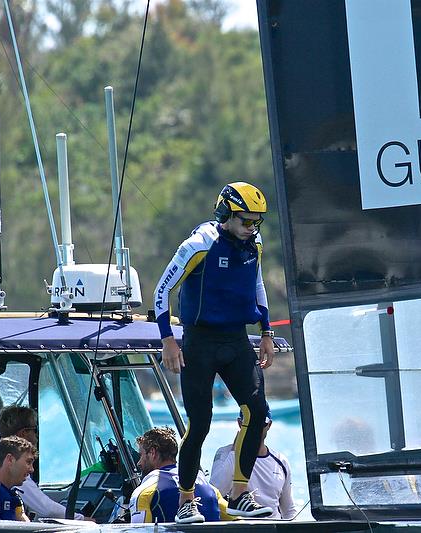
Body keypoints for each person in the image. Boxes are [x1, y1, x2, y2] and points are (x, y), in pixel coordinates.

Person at [153, 182, 275, 523]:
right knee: (201, 423)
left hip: (236, 339)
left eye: (257, 222)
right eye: (247, 221)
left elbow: (257, 284)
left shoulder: (255, 243)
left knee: (257, 412)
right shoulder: (200, 244)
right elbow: (161, 291)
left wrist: (266, 332)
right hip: (200, 342)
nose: (253, 228)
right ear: (226, 214)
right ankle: (186, 501)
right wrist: (168, 340)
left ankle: (239, 494)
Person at [0, 405, 89, 521]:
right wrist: (83, 519)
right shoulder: (12, 469)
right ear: (23, 434)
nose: (36, 437)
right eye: (35, 430)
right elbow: (46, 508)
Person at [122, 427, 236, 523]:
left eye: (141, 455)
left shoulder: (143, 492)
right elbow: (238, 520)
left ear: (152, 452)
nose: (139, 462)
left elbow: (139, 530)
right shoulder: (209, 487)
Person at [210, 408, 298, 519]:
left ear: (269, 425)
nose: (255, 428)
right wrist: (235, 453)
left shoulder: (281, 461)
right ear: (240, 423)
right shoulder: (225, 453)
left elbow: (289, 510)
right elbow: (215, 493)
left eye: (260, 423)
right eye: (250, 422)